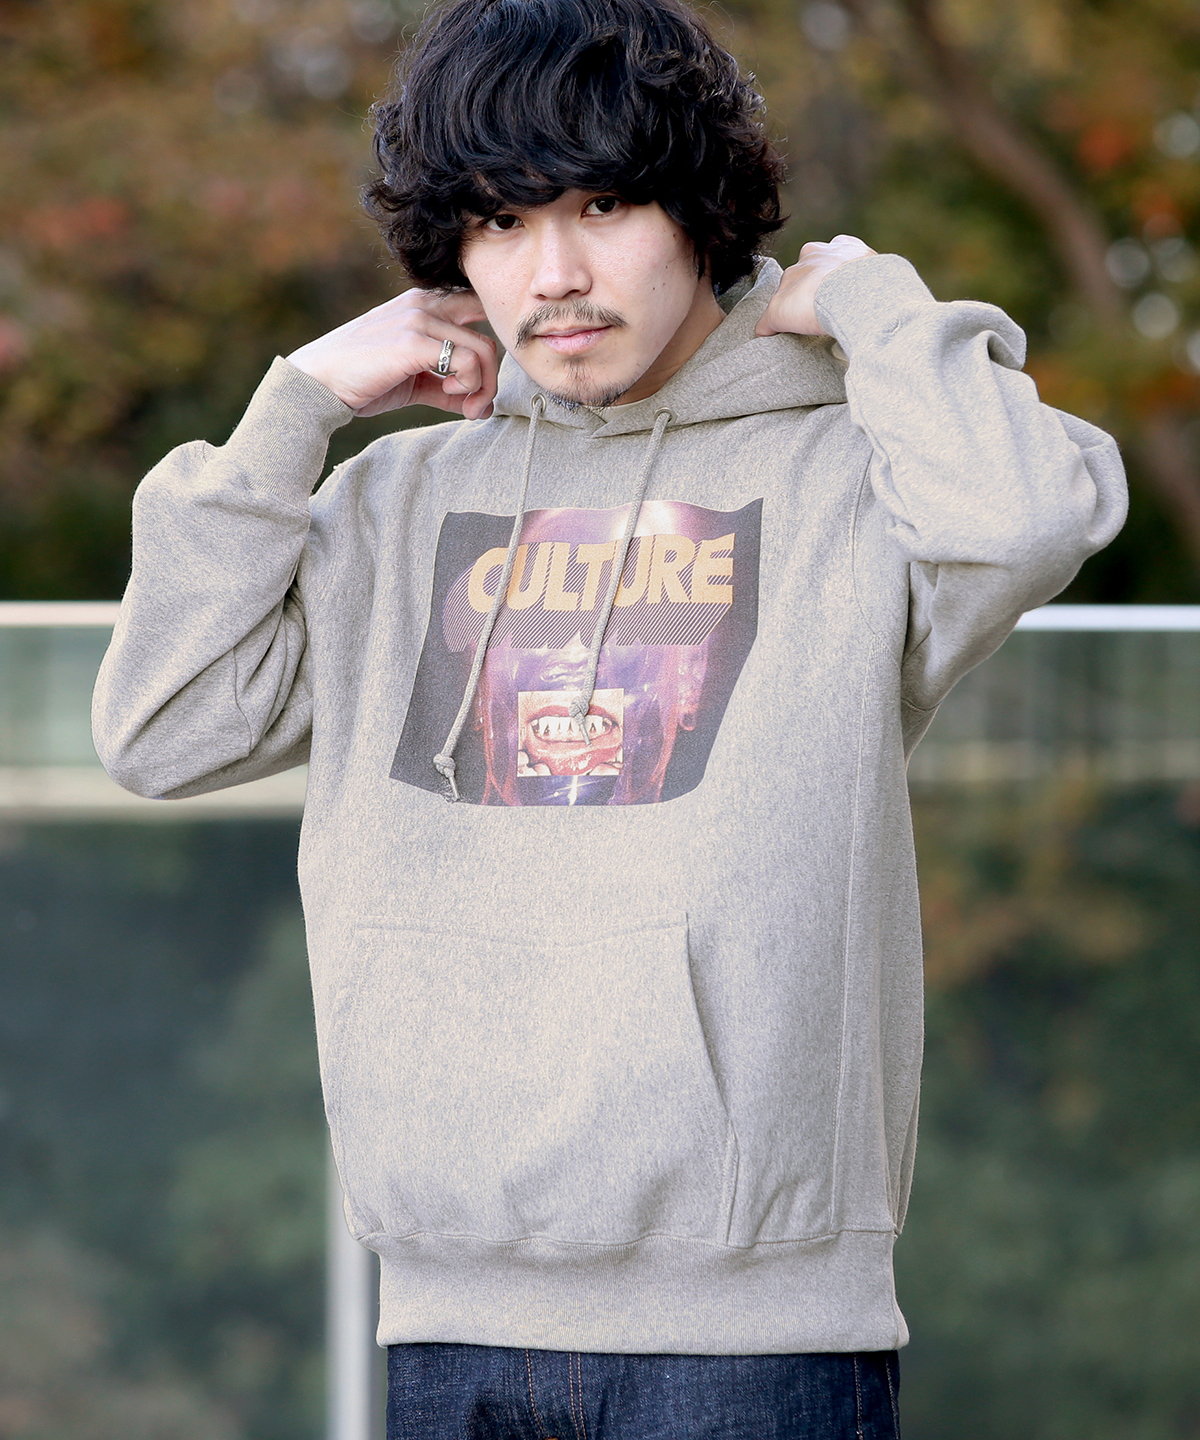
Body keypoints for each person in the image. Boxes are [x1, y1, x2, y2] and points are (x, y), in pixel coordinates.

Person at [92, 0, 1128, 1433]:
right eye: (501, 221)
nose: (556, 273)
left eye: (603, 204)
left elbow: (1026, 517)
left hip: (760, 1332)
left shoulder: (855, 480)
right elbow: (164, 727)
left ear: (699, 213)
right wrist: (298, 406)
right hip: (449, 1311)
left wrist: (876, 311)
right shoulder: (398, 500)